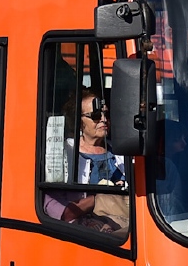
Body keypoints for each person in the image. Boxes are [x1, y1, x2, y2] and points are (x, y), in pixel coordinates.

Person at [42, 89, 127, 231]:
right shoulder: (63, 153)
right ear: (79, 122)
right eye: (95, 115)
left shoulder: (122, 152)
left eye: (106, 114)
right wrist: (100, 198)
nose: (103, 119)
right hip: (86, 234)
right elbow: (60, 211)